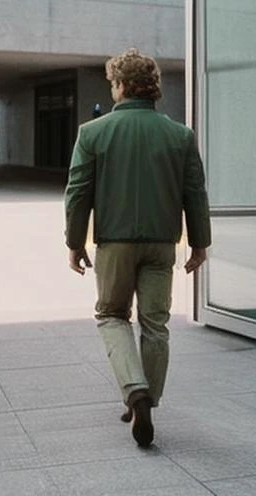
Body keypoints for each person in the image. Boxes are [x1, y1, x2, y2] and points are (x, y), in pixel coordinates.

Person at [64, 47, 211, 448]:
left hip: (114, 244)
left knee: (111, 315)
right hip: (163, 244)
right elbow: (195, 193)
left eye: (112, 83)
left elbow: (78, 193)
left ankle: (135, 391)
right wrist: (199, 243)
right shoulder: (180, 135)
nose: (111, 88)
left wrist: (75, 242)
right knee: (155, 324)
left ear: (123, 86)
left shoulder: (92, 133)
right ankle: (147, 399)